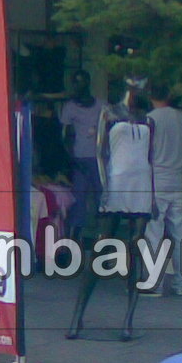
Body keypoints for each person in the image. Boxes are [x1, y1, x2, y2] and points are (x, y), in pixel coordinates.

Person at [67, 76, 154, 341]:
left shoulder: (148, 119)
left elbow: (149, 157)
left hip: (141, 185)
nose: (138, 88)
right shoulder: (110, 112)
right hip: (116, 183)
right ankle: (77, 317)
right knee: (101, 247)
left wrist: (153, 195)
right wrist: (105, 188)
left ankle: (128, 320)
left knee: (135, 248)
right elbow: (99, 152)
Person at [143, 81, 182, 296]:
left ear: (151, 96)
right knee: (180, 233)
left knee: (154, 232)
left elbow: (145, 154)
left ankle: (155, 283)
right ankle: (181, 283)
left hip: (156, 180)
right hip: (177, 179)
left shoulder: (150, 119)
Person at [59, 70, 103, 241]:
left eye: (80, 82)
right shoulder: (70, 107)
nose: (77, 86)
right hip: (79, 160)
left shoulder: (101, 106)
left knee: (101, 199)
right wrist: (72, 159)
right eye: (74, 82)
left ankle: (102, 237)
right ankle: (75, 239)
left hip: (98, 159)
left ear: (87, 82)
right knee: (78, 200)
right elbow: (66, 136)